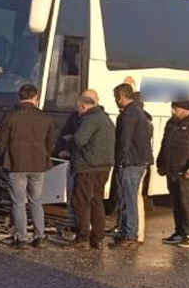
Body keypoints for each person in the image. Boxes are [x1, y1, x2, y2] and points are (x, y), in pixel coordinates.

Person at [0, 84, 56, 249]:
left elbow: (1, 142)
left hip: (16, 164)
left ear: (19, 97)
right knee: (36, 200)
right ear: (36, 98)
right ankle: (39, 236)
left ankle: (22, 238)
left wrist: (2, 158)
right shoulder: (46, 118)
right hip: (38, 164)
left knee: (18, 202)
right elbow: (50, 143)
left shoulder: (10, 117)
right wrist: (45, 153)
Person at [156, 100, 189, 249]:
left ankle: (188, 236)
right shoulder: (171, 123)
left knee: (187, 204)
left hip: (188, 174)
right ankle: (178, 232)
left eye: (176, 109)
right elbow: (164, 145)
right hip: (171, 171)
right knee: (176, 203)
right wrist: (161, 164)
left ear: (186, 109)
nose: (173, 112)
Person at [67, 89, 115, 250]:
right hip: (104, 167)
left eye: (78, 108)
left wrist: (69, 140)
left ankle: (82, 238)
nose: (77, 112)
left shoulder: (90, 119)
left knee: (81, 202)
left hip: (88, 167)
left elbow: (80, 140)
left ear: (83, 106)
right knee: (96, 201)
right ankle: (98, 238)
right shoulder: (105, 118)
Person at [109, 83, 153, 249]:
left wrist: (119, 161)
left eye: (116, 97)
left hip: (131, 162)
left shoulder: (129, 114)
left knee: (129, 199)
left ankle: (130, 235)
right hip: (136, 161)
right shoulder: (138, 112)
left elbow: (124, 140)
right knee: (128, 198)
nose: (115, 101)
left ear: (121, 97)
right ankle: (126, 232)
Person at [53, 106, 81, 233]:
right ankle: (72, 222)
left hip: (84, 164)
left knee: (82, 197)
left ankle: (80, 225)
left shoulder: (94, 120)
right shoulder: (74, 117)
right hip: (74, 161)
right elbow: (63, 135)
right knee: (72, 194)